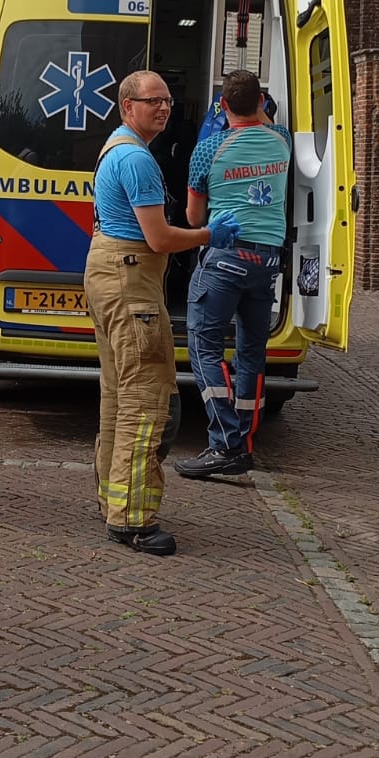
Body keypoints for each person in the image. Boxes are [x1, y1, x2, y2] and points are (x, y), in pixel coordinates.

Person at [85, 70, 241, 557]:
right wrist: (208, 235)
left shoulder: (117, 148)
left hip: (111, 272)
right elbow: (158, 238)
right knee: (147, 400)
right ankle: (132, 519)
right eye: (153, 101)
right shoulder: (137, 160)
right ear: (126, 106)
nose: (164, 108)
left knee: (118, 394)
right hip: (131, 279)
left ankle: (113, 500)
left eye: (168, 101)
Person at [175, 70, 292, 479]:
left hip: (225, 258)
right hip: (267, 262)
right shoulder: (283, 141)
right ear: (261, 102)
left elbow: (193, 218)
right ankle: (243, 441)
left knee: (204, 348)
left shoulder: (209, 149)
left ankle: (225, 444)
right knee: (251, 354)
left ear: (222, 107)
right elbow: (263, 121)